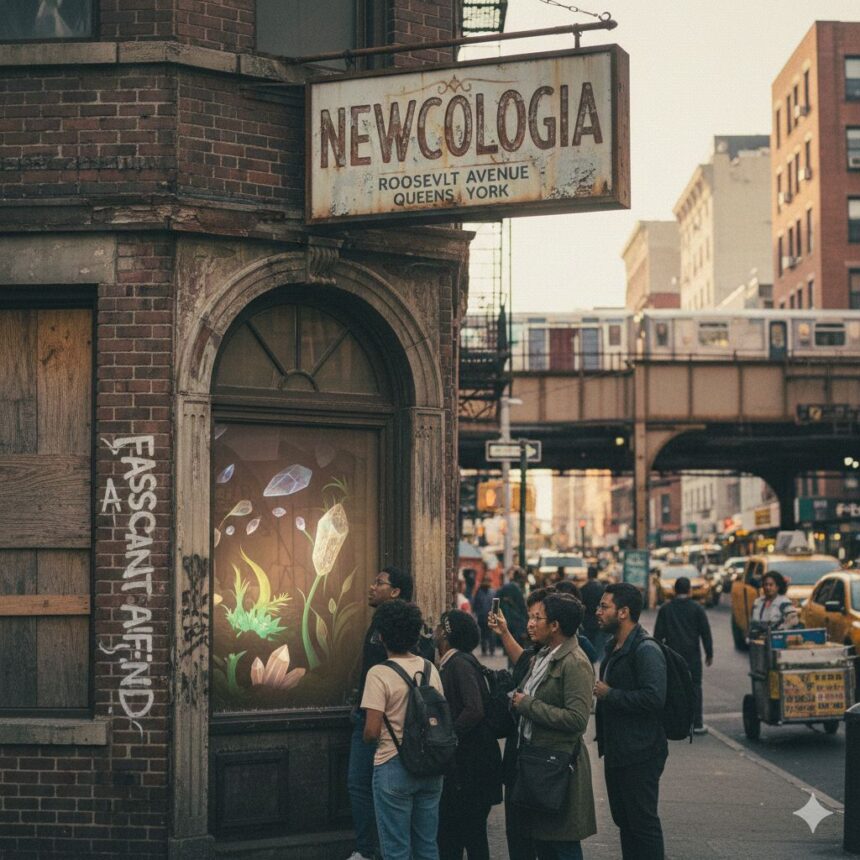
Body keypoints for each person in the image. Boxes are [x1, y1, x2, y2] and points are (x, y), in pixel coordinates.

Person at [510, 591, 597, 860]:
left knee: (561, 844)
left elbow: (577, 719)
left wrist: (527, 705)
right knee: (545, 843)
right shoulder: (544, 655)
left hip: (558, 767)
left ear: (555, 625)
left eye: (539, 617)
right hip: (538, 762)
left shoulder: (575, 663)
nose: (532, 623)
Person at [361, 599, 445, 860]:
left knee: (396, 849)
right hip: (431, 766)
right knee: (427, 846)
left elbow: (371, 731)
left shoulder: (379, 673)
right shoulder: (430, 669)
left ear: (382, 636)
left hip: (393, 764)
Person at [594, 582, 668, 860]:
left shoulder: (646, 649)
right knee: (625, 822)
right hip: (618, 750)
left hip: (641, 752)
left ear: (623, 612)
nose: (597, 611)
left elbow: (654, 698)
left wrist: (610, 694)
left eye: (604, 606)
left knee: (643, 824)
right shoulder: (613, 645)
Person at [347, 566, 414, 860]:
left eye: (380, 583)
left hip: (378, 721)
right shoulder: (382, 626)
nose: (372, 587)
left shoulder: (396, 631)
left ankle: (368, 850)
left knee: (363, 785)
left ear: (396, 591)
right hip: (373, 716)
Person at [434, 610, 503, 860]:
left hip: (471, 766)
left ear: (447, 634)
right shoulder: (458, 661)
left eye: (440, 626)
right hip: (471, 764)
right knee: (464, 833)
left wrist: (447, 737)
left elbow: (474, 709)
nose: (435, 630)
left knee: (465, 833)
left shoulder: (459, 663)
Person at [653, 576, 713, 734]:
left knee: (673, 688)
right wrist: (709, 653)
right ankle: (697, 722)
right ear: (690, 590)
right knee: (695, 687)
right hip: (692, 655)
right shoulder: (697, 608)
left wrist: (657, 654)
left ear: (674, 591)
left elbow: (658, 635)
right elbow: (705, 633)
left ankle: (675, 723)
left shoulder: (666, 609)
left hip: (672, 655)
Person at [750, 571, 800, 635]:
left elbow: (793, 621)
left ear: (777, 587)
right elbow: (752, 623)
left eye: (771, 585)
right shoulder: (757, 602)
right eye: (766, 584)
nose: (768, 587)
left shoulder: (784, 602)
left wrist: (780, 630)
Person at [497, 566, 529, 648]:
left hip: (508, 621)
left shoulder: (505, 588)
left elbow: (496, 602)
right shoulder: (517, 588)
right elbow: (523, 609)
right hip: (517, 623)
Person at [579, 565, 606, 661]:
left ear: (588, 575)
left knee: (588, 641)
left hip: (587, 619)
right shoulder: (602, 589)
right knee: (599, 642)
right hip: (598, 618)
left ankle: (589, 659)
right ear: (597, 574)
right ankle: (598, 659)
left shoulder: (584, 588)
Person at [471, 574, 497, 656]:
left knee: (487, 634)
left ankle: (488, 649)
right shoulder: (490, 592)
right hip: (485, 616)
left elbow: (475, 605)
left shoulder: (481, 592)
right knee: (487, 634)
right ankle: (487, 649)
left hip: (486, 616)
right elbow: (475, 605)